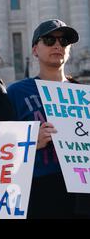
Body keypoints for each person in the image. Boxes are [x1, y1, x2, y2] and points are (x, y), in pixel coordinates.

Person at [7, 19, 90, 218]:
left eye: (64, 42)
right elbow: (0, 145)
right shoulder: (17, 92)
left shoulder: (83, 94)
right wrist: (31, 142)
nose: (57, 45)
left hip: (82, 192)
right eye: (49, 39)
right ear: (35, 49)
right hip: (39, 190)